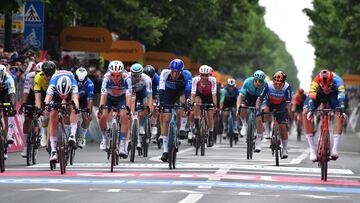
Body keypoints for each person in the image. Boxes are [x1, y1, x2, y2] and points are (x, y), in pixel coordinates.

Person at [303, 69, 347, 161]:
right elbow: (311, 97)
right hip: (319, 94)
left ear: (332, 82)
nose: (326, 88)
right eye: (323, 86)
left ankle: (334, 148)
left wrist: (342, 110)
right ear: (319, 83)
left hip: (333, 94)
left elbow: (341, 97)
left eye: (329, 85)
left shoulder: (339, 81)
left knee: (339, 113)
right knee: (305, 112)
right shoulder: (315, 82)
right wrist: (311, 110)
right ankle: (312, 149)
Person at [158, 59, 191, 162]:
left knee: (182, 104)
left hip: (180, 92)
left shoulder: (187, 75)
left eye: (177, 72)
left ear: (181, 71)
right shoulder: (165, 73)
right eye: (173, 71)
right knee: (166, 118)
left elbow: (187, 92)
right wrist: (160, 104)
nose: (174, 74)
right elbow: (161, 89)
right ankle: (165, 150)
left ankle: (181, 128)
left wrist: (186, 105)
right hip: (168, 92)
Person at [97, 60, 131, 158]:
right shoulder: (106, 77)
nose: (116, 77)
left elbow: (129, 94)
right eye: (113, 75)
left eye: (118, 75)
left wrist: (128, 108)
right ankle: (105, 137)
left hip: (122, 98)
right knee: (103, 116)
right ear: (110, 73)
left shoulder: (127, 77)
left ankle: (122, 144)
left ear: (122, 74)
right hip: (109, 98)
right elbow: (103, 94)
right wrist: (101, 107)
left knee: (124, 116)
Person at [44, 71, 80, 161]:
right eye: (62, 95)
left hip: (68, 89)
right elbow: (47, 99)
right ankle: (53, 151)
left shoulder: (73, 84)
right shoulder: (53, 85)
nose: (63, 96)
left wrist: (76, 108)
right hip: (56, 93)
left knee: (74, 108)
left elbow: (75, 99)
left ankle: (72, 134)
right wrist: (45, 107)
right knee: (53, 116)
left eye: (65, 95)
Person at [256, 71, 292, 158]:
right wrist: (257, 109)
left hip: (281, 104)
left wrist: (287, 114)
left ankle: (284, 149)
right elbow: (259, 99)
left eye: (280, 85)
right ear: (273, 82)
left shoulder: (287, 87)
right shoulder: (268, 85)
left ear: (284, 83)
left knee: (283, 127)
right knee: (264, 112)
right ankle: (266, 133)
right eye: (276, 84)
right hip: (269, 102)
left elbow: (288, 104)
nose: (277, 86)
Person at [237, 70, 267, 151]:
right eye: (256, 80)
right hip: (248, 98)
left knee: (259, 120)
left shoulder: (265, 85)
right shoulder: (247, 81)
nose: (258, 83)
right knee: (242, 107)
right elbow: (240, 96)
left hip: (259, 100)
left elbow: (266, 99)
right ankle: (244, 124)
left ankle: (258, 142)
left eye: (260, 81)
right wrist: (238, 107)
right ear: (254, 79)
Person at [125, 63, 153, 150]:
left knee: (146, 105)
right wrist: (129, 110)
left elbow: (149, 96)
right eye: (134, 76)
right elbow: (128, 96)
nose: (136, 78)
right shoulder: (127, 78)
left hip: (142, 92)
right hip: (132, 93)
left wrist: (150, 108)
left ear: (142, 74)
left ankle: (141, 125)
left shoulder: (147, 79)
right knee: (131, 104)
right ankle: (132, 122)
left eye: (138, 76)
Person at [19, 62, 43, 157]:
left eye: (40, 72)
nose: (38, 74)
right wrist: (23, 105)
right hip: (32, 95)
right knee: (27, 119)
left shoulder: (47, 78)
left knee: (39, 115)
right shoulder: (30, 76)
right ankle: (25, 146)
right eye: (36, 72)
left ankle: (39, 134)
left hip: (43, 94)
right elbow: (26, 92)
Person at [190, 65, 217, 147]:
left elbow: (214, 94)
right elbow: (193, 93)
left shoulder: (212, 80)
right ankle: (197, 123)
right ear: (199, 74)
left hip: (209, 96)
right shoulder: (195, 80)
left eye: (206, 75)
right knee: (197, 102)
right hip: (199, 95)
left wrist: (214, 105)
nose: (204, 77)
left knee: (210, 115)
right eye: (202, 75)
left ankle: (211, 133)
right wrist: (191, 104)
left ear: (209, 75)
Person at [34, 61, 56, 147]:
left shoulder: (57, 77)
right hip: (43, 93)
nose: (49, 77)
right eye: (47, 75)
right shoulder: (38, 77)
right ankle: (44, 133)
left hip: (55, 92)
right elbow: (37, 96)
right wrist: (38, 108)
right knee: (44, 112)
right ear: (43, 73)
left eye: (51, 75)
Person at [74, 67, 94, 148]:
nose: (80, 84)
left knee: (86, 117)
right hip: (72, 96)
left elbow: (90, 99)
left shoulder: (90, 84)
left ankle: (82, 136)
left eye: (82, 82)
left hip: (83, 99)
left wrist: (88, 111)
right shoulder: (71, 80)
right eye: (78, 81)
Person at [0, 64, 16, 159]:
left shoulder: (9, 78)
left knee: (9, 112)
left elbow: (12, 94)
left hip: (6, 95)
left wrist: (12, 106)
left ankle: (9, 134)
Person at [143, 65, 160, 141]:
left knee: (154, 106)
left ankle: (154, 125)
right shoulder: (142, 78)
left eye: (151, 77)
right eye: (147, 76)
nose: (149, 78)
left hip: (154, 92)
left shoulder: (157, 79)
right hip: (144, 91)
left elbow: (159, 92)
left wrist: (155, 101)